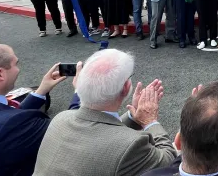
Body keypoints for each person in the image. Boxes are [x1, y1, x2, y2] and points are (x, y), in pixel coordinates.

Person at [33, 49, 177, 176]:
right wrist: (150, 121)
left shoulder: (61, 118)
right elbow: (168, 162)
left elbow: (100, 131)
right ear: (126, 87)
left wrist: (133, 117)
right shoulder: (130, 145)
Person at [0, 44, 79, 176]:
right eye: (15, 64)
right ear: (0, 74)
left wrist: (41, 91)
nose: (18, 69)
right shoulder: (12, 126)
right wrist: (82, 91)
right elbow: (72, 133)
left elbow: (3, 117)